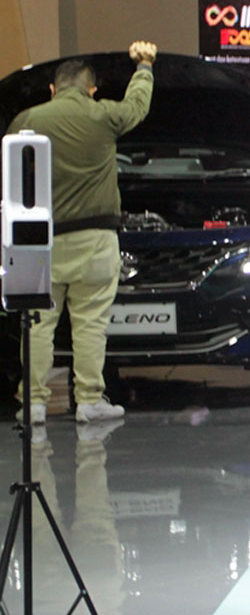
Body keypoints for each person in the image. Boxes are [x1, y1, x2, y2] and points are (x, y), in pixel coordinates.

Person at [8, 42, 156, 425]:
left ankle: (34, 403)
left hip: (37, 242)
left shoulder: (27, 119)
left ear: (53, 90)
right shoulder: (103, 114)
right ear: (91, 90)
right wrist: (144, 66)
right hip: (95, 240)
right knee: (90, 324)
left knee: (37, 324)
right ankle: (89, 400)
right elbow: (137, 106)